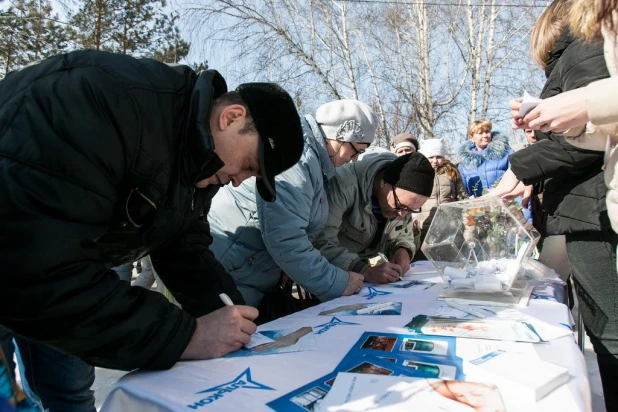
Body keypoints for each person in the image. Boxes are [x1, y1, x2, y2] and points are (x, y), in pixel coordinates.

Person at [0, 50, 304, 410]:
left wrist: (232, 319)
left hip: (53, 282)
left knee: (67, 392)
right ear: (232, 117)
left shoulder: (196, 157)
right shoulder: (102, 102)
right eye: (250, 165)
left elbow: (183, 246)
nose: (239, 181)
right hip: (24, 275)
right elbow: (37, 269)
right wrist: (183, 336)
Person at [502, 1, 618, 409]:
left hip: (593, 212)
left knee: (609, 334)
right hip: (586, 209)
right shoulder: (574, 56)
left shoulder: (583, 46)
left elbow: (590, 136)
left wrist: (524, 167)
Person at [208, 99, 377, 311]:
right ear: (340, 137)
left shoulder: (313, 162)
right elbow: (285, 238)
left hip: (243, 269)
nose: (354, 159)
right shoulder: (298, 159)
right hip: (227, 269)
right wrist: (338, 282)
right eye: (355, 151)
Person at [314, 152, 434, 284]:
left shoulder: (402, 198)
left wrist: (403, 250)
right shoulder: (344, 185)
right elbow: (321, 241)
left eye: (411, 210)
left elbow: (403, 235)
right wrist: (364, 270)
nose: (403, 214)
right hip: (330, 271)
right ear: (383, 183)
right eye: (400, 206)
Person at [413, 139, 466, 260]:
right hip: (425, 224)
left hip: (449, 224)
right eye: (431, 157)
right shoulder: (419, 173)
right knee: (424, 258)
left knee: (448, 258)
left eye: (439, 157)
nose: (435, 161)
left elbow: (462, 196)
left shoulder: (452, 172)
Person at [457, 120, 513, 198]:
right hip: (479, 207)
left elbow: (519, 178)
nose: (485, 135)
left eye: (487, 131)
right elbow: (464, 191)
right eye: (480, 133)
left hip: (506, 202)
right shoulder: (464, 163)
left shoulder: (506, 152)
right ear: (471, 138)